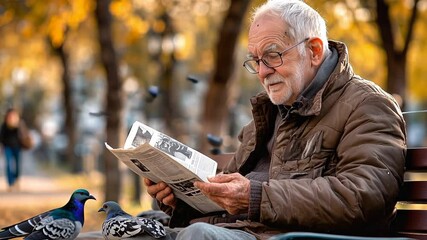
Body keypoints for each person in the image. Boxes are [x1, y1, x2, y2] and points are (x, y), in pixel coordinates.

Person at [144, 0, 406, 239]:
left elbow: (365, 197)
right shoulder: (272, 110)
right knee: (133, 228)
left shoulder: (369, 104)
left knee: (198, 236)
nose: (262, 72)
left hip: (289, 237)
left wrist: (254, 197)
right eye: (256, 60)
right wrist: (178, 199)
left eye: (272, 56)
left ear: (314, 50)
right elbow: (229, 198)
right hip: (241, 229)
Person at [0, 108, 27, 192]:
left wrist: (18, 126)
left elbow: (24, 135)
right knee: (8, 165)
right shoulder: (4, 125)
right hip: (7, 147)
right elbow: (1, 137)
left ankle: (17, 179)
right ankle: (10, 183)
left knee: (17, 165)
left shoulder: (20, 124)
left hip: (17, 147)